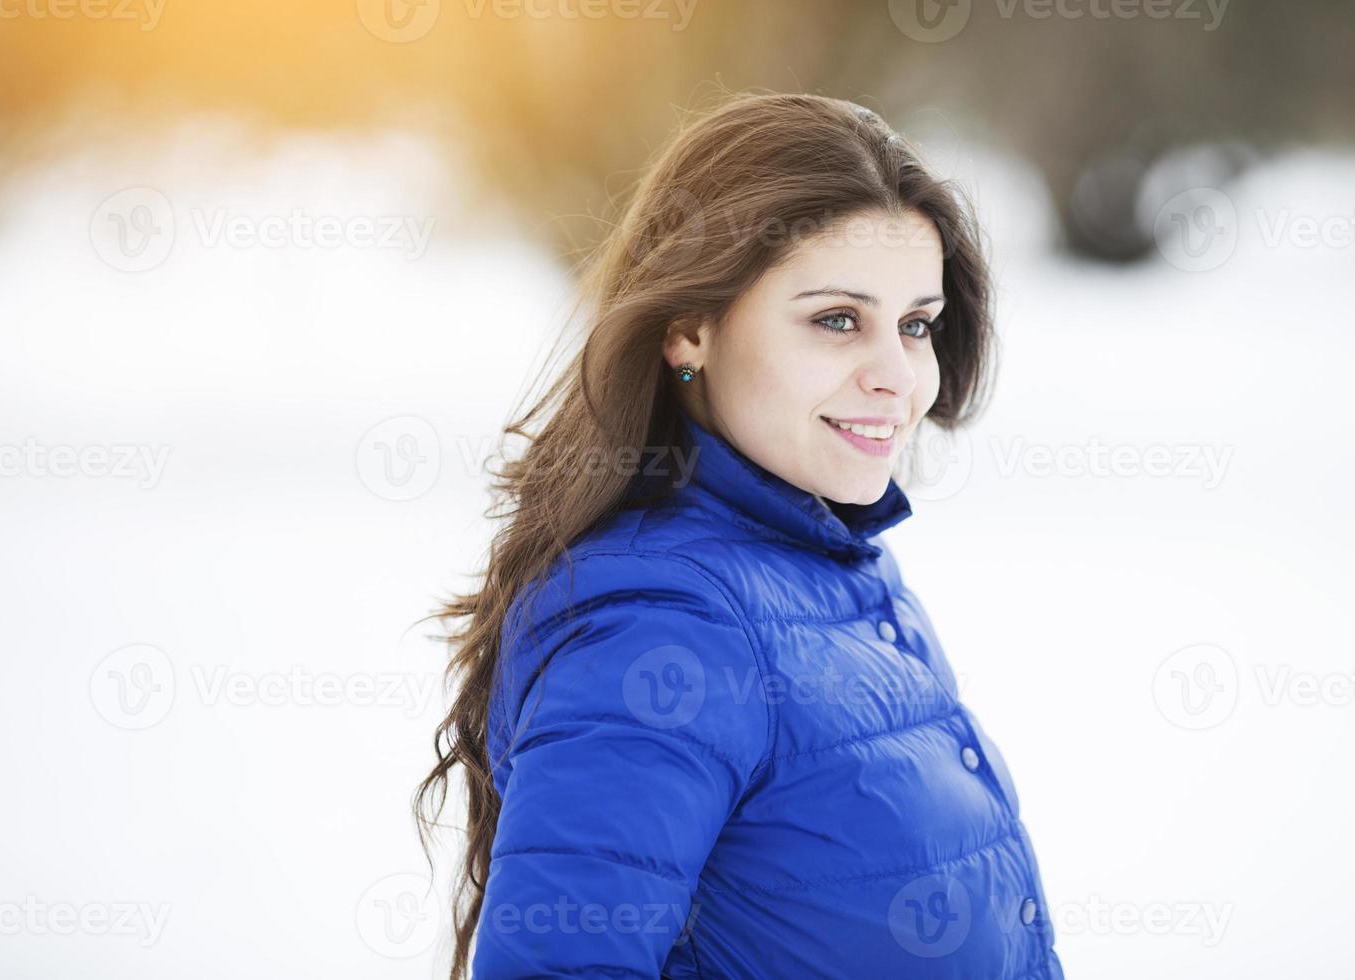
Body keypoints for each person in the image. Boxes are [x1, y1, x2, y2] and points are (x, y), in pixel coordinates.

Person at [417, 90, 1064, 980]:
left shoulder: (832, 571)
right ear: (691, 328)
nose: (896, 376)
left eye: (915, 324)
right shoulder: (660, 628)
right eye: (837, 320)